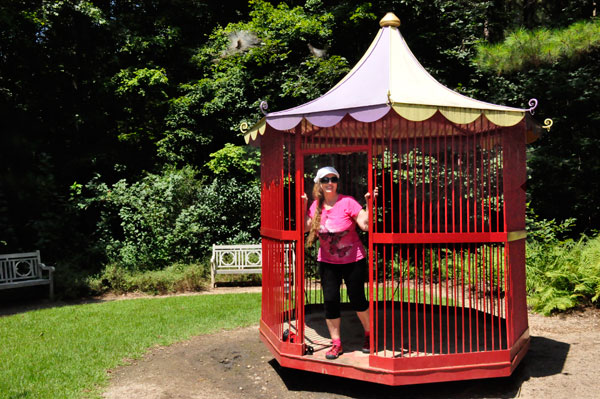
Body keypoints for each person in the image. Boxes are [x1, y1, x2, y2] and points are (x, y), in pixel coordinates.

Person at [302, 166, 377, 360]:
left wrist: (370, 203)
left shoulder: (348, 203)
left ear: (337, 182)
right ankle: (336, 344)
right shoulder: (315, 206)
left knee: (358, 299)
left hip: (354, 260)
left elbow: (366, 226)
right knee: (330, 301)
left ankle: (369, 335)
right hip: (328, 262)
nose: (329, 183)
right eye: (325, 180)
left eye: (333, 179)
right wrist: (302, 206)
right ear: (319, 183)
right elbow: (305, 227)